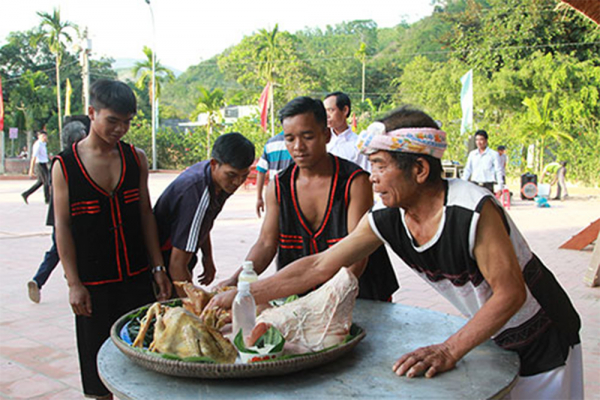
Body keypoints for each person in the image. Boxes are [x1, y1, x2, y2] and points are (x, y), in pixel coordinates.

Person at [209, 106, 583, 399]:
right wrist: (242, 294)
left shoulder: (472, 211)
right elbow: (322, 264)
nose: (372, 177)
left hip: (544, 340)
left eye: (381, 166)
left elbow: (511, 294)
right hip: (495, 336)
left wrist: (449, 350)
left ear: (419, 169)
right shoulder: (387, 217)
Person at [52, 79, 172, 399]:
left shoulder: (136, 159)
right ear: (92, 113)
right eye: (112, 121)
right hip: (93, 284)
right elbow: (62, 226)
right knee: (97, 372)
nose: (120, 129)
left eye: (127, 122)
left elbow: (145, 215)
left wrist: (158, 269)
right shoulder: (65, 166)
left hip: (135, 277)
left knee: (144, 359)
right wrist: (73, 283)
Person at [218, 96, 398, 301]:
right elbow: (266, 244)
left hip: (361, 295)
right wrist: (236, 281)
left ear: (326, 135)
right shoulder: (278, 187)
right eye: (290, 138)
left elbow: (357, 257)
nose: (298, 147)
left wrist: (323, 301)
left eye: (308, 137)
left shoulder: (355, 182)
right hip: (302, 296)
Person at [153, 132, 255, 297]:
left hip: (181, 252)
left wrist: (207, 256)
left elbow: (202, 221)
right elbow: (177, 266)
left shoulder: (219, 181)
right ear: (214, 164)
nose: (237, 182)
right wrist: (197, 309)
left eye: (244, 176)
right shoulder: (197, 193)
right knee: (180, 309)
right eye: (232, 175)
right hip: (164, 258)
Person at [27, 121, 88, 303]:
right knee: (65, 250)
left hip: (57, 218)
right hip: (69, 219)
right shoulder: (72, 163)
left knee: (56, 251)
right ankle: (71, 280)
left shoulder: (60, 161)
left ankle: (38, 280)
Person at [323, 91, 370, 172]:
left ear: (345, 110)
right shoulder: (321, 141)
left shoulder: (358, 144)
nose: (327, 115)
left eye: (330, 110)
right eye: (325, 111)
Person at [255, 131, 293, 217]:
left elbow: (261, 171)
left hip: (274, 191)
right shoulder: (298, 143)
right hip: (293, 191)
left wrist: (259, 197)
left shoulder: (271, 143)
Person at [22, 131, 51, 204]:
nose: (44, 137)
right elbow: (33, 157)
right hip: (39, 164)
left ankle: (26, 194)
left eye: (45, 136)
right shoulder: (38, 145)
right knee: (47, 181)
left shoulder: (43, 144)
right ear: (39, 136)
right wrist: (31, 170)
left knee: (41, 182)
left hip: (44, 163)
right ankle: (47, 199)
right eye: (42, 136)